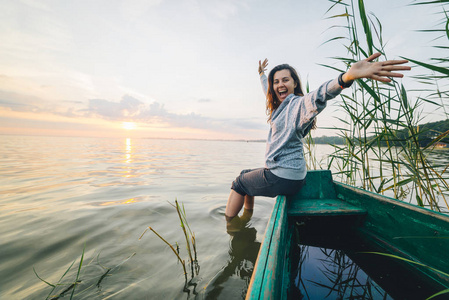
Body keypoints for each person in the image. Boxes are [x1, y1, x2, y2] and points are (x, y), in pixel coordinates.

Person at [225, 53, 410, 227]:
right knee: (245, 174)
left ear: (294, 83)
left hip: (283, 176)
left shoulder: (297, 104)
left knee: (239, 183)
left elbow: (320, 95)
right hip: (294, 176)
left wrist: (346, 78)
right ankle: (246, 217)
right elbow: (267, 88)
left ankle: (231, 227)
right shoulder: (279, 106)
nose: (279, 85)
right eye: (276, 82)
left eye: (285, 80)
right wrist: (261, 74)